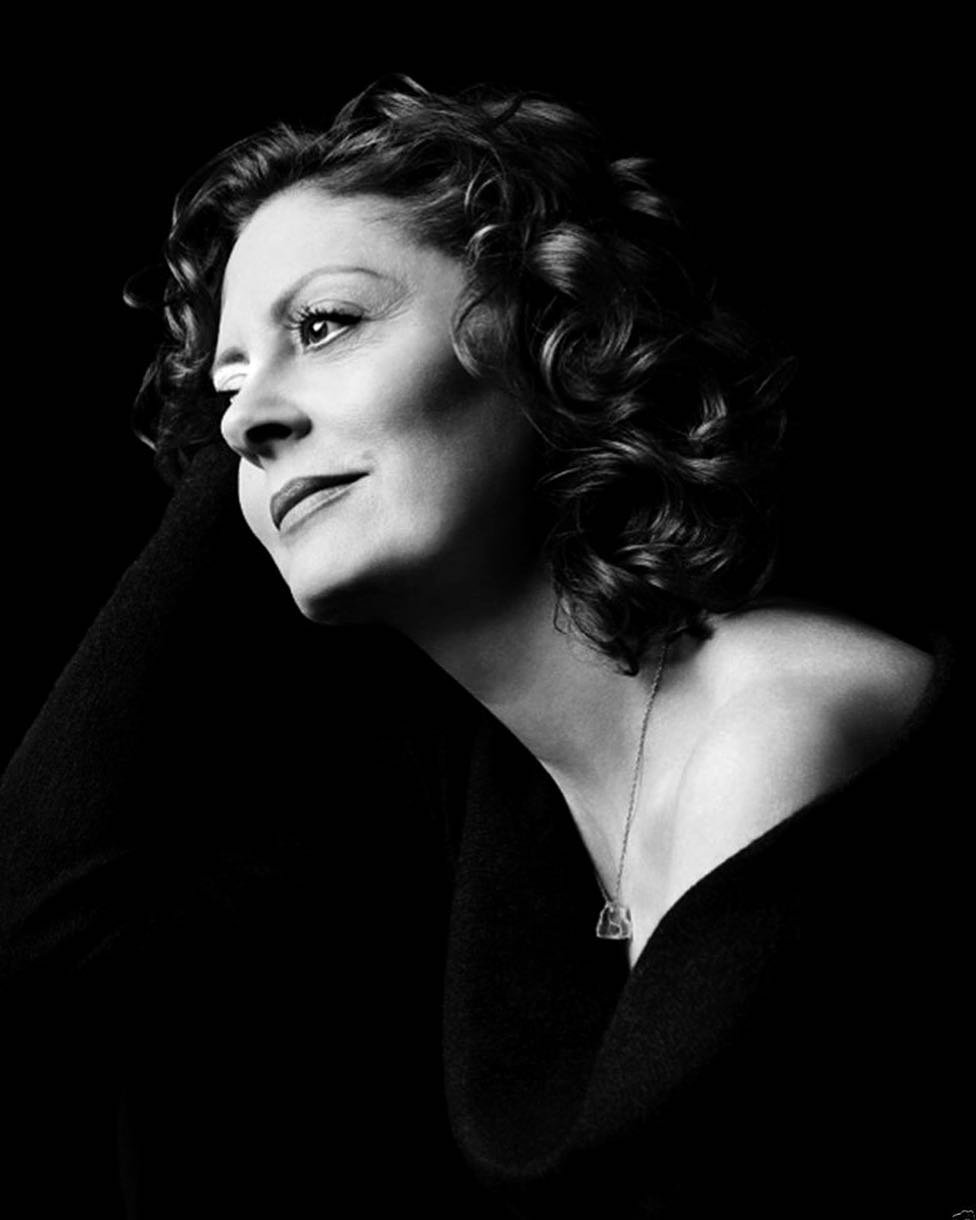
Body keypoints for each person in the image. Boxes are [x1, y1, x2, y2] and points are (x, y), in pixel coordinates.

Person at [1, 77, 965, 1217]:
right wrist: (262, 397)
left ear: (541, 325)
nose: (244, 422)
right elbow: (63, 915)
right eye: (225, 388)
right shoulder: (495, 790)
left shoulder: (774, 723)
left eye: (327, 325)